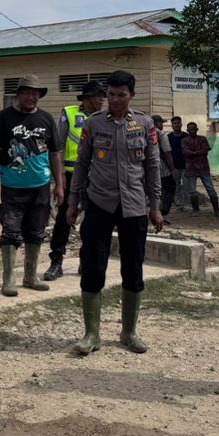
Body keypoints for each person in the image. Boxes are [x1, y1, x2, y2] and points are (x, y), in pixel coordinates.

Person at [67, 70, 164, 355]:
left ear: (131, 96)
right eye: (110, 95)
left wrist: (155, 207)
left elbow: (153, 167)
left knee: (133, 267)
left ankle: (129, 331)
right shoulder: (93, 124)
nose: (116, 100)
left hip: (134, 205)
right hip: (99, 203)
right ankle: (91, 333)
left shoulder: (145, 124)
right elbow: (82, 164)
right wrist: (73, 202)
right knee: (93, 264)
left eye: (122, 95)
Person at [0, 75, 62, 296]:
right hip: (12, 187)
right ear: (18, 94)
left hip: (41, 186)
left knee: (36, 232)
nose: (32, 97)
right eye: (27, 92)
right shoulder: (4, 118)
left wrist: (59, 185)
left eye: (35, 93)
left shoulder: (47, 119)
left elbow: (56, 154)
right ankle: (8, 280)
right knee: (10, 232)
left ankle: (30, 276)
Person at [44, 80, 105, 282]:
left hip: (96, 177)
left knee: (93, 219)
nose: (102, 100)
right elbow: (57, 147)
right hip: (71, 176)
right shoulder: (69, 113)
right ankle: (56, 262)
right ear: (87, 98)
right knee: (63, 218)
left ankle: (85, 260)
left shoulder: (105, 117)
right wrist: (59, 178)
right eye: (98, 96)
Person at [181, 121, 219, 217]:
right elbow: (186, 152)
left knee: (210, 189)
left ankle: (217, 211)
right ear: (187, 130)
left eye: (193, 129)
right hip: (191, 168)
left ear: (197, 129)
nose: (192, 131)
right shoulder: (185, 140)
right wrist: (198, 153)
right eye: (190, 130)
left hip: (203, 168)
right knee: (192, 191)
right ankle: (196, 210)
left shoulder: (202, 139)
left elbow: (205, 150)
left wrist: (193, 153)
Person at [152, 115, 178, 220]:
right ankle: (163, 211)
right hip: (161, 166)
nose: (162, 125)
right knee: (170, 187)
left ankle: (156, 209)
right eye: (161, 123)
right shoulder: (161, 134)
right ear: (157, 123)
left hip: (148, 166)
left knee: (155, 190)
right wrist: (172, 169)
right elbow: (167, 153)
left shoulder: (146, 132)